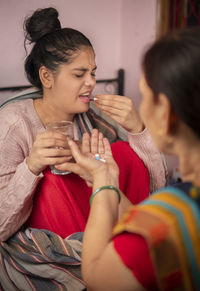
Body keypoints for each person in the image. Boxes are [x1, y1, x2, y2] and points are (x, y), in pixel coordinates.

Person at [0, 7, 167, 242]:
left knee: (123, 153)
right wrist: (31, 166)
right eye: (79, 75)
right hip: (60, 231)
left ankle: (129, 245)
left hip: (102, 219)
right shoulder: (13, 124)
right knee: (51, 176)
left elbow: (157, 187)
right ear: (47, 77)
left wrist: (137, 129)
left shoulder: (97, 119)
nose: (91, 83)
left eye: (93, 73)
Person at [65, 26, 200, 290]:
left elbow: (96, 278)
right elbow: (149, 216)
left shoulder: (168, 220)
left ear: (166, 114)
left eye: (144, 95)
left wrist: (102, 181)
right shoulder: (173, 207)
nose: (90, 82)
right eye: (80, 73)